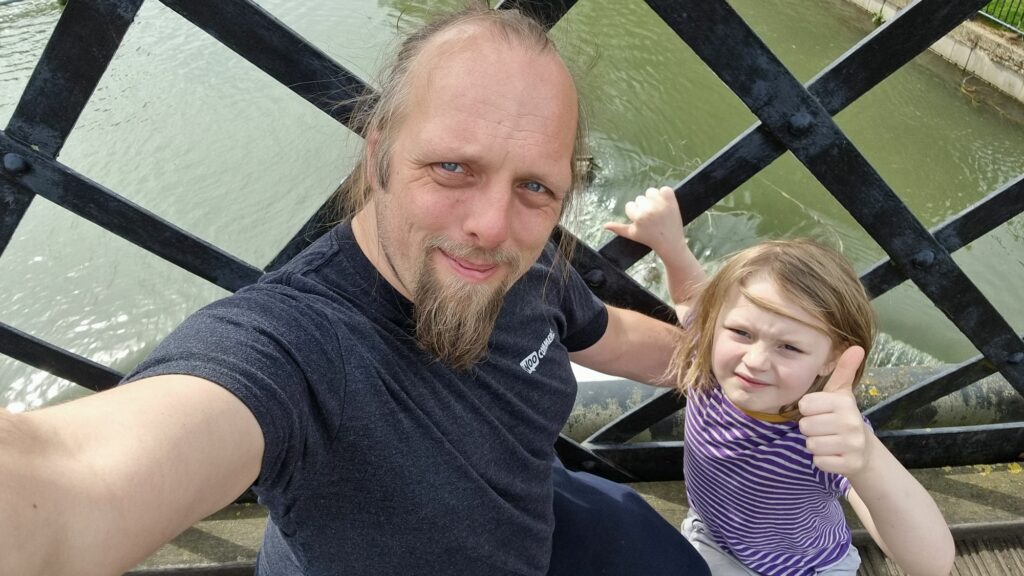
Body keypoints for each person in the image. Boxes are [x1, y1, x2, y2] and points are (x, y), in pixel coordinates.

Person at [0, 6, 711, 576]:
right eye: (453, 167)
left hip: (541, 522)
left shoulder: (532, 260)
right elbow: (70, 485)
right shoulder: (301, 348)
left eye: (534, 185)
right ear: (379, 157)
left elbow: (614, 337)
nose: (493, 226)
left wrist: (760, 374)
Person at [605, 186, 955, 576]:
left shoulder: (825, 431)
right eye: (741, 332)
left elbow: (931, 564)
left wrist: (868, 460)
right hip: (713, 539)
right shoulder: (709, 361)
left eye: (788, 347)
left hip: (809, 568)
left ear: (832, 358)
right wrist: (671, 246)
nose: (754, 361)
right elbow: (692, 301)